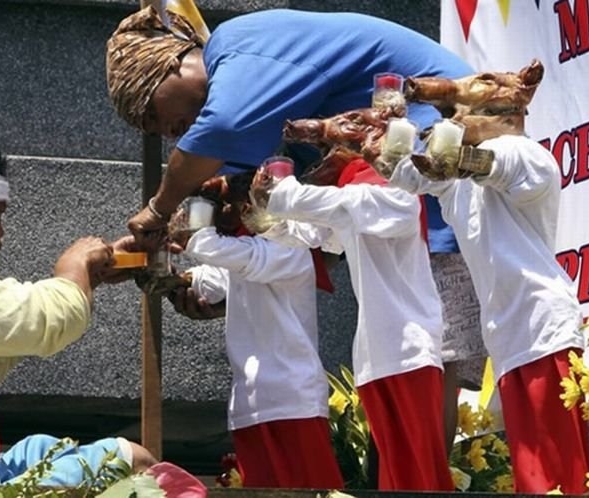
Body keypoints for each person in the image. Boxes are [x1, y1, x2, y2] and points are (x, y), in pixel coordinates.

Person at [105, 6, 486, 449]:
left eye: (151, 113)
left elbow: (222, 128)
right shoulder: (255, 108)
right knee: (405, 347)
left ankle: (423, 481)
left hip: (434, 149)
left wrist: (158, 209)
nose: (165, 133)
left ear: (172, 66)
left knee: (424, 343)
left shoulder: (236, 47)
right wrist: (222, 283)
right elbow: (294, 237)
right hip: (394, 174)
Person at [387, 63, 589, 493]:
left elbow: (491, 165)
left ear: (506, 113)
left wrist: (447, 151)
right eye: (449, 117)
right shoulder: (461, 183)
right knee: (532, 472)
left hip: (542, 327)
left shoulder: (524, 153)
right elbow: (407, 174)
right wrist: (382, 132)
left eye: (462, 113)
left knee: (556, 476)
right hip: (512, 336)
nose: (453, 123)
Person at [0, 136, 157, 482]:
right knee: (130, 457)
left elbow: (7, 335)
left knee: (39, 447)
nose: (1, 234)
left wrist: (87, 277)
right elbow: (38, 320)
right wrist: (77, 264)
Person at [249, 158, 453, 491]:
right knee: (391, 475)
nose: (325, 155)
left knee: (421, 473)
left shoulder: (396, 192)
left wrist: (284, 191)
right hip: (375, 354)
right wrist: (264, 216)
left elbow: (341, 205)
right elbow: (310, 234)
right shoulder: (353, 198)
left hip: (410, 349)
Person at [166, 171, 344, 489]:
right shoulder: (251, 250)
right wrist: (169, 278)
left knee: (314, 493)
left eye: (229, 205)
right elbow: (212, 279)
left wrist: (199, 210)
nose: (226, 216)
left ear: (250, 206)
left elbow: (220, 251)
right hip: (249, 402)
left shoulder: (291, 248)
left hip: (293, 398)